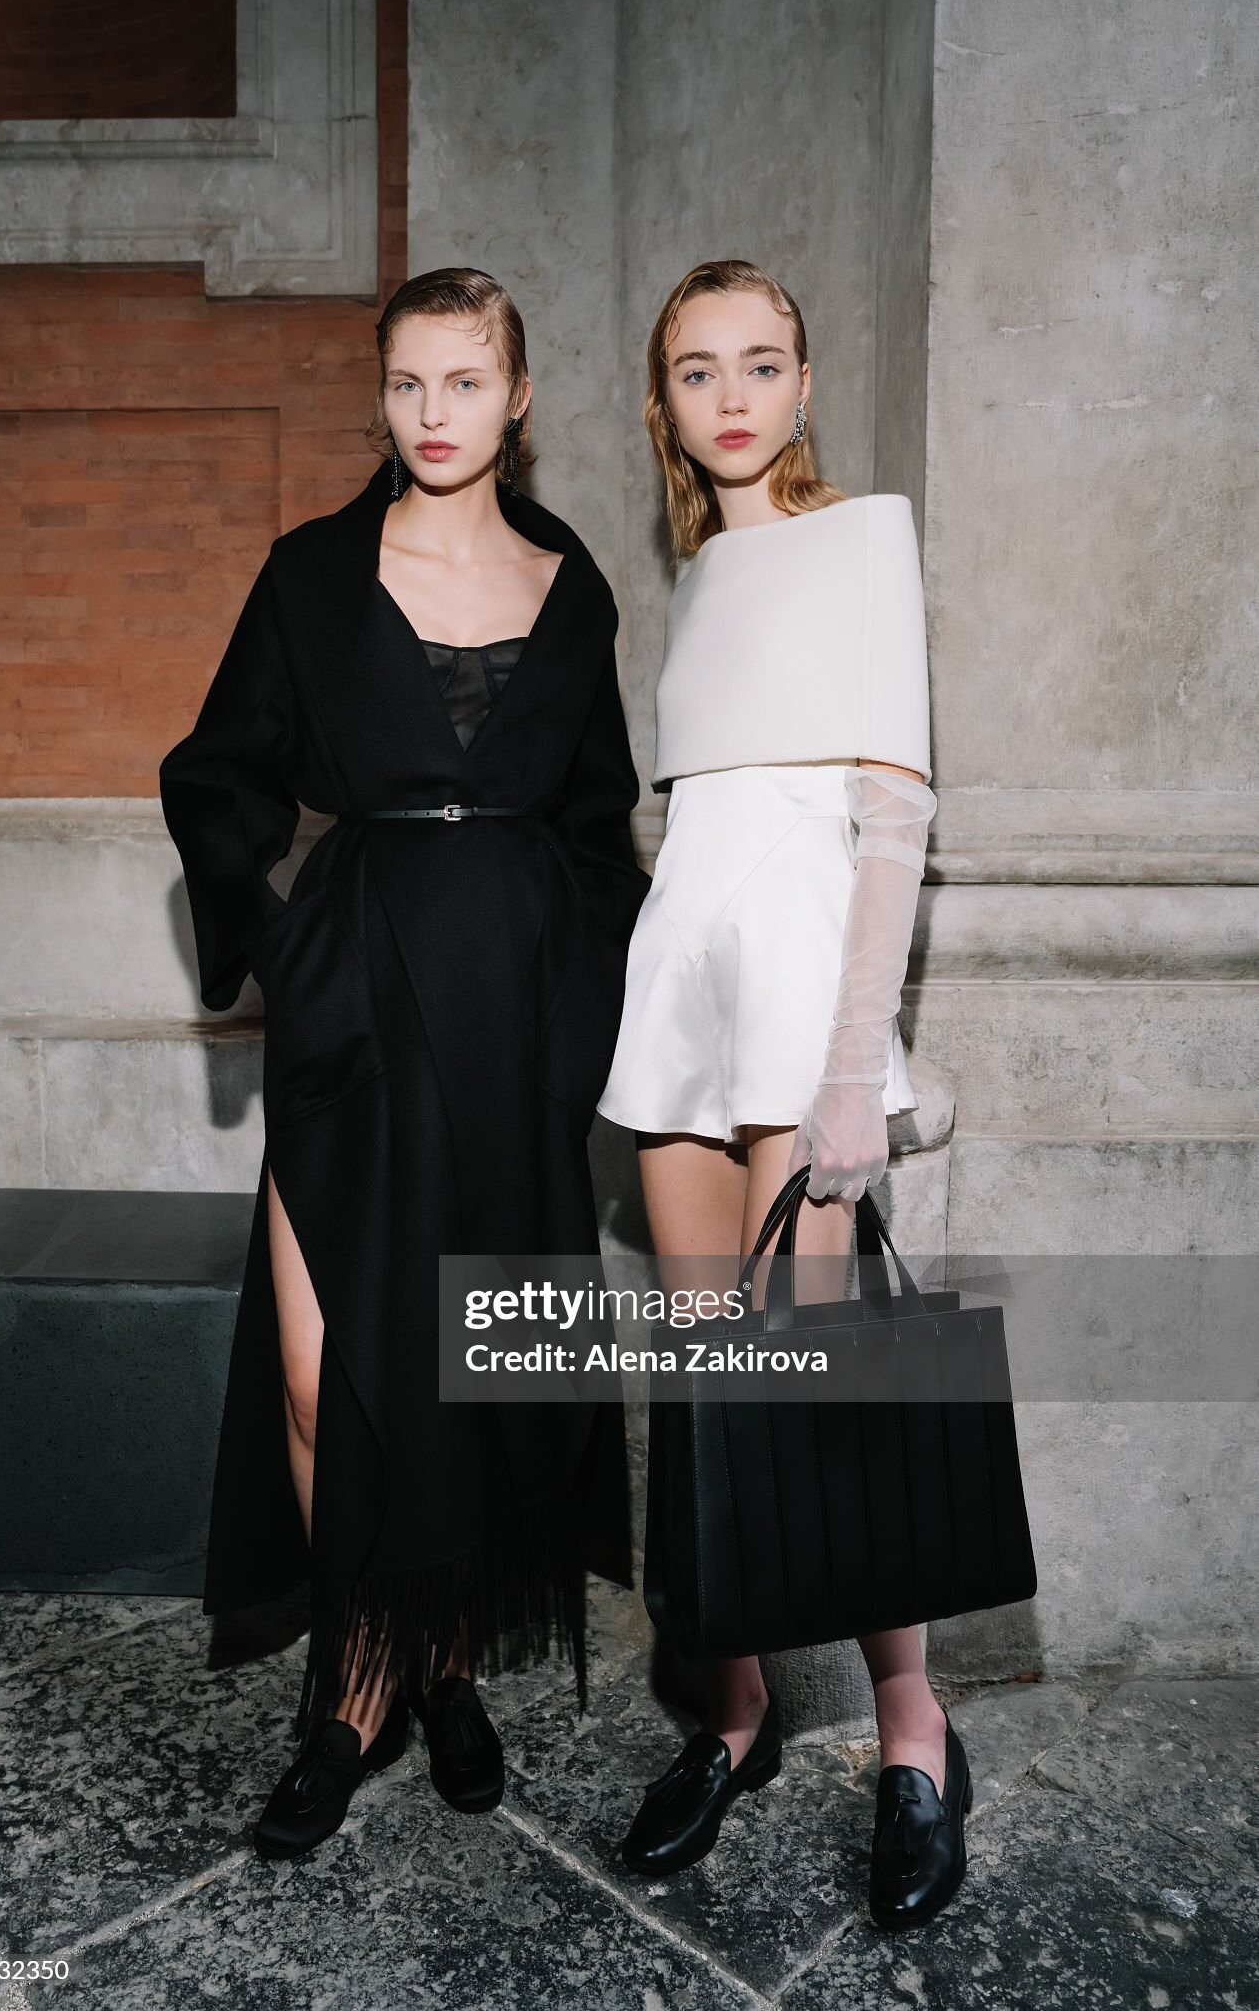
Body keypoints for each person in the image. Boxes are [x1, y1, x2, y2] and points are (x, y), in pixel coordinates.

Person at [159, 267, 650, 1860]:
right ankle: (354, 1676)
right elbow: (215, 776)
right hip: (356, 1004)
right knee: (322, 1375)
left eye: (464, 381)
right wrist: (290, 942)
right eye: (406, 383)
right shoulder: (311, 573)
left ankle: (434, 1671)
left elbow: (599, 823)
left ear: (519, 398)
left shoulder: (571, 586)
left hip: (510, 1021)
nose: (432, 413)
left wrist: (576, 1000)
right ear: (380, 397)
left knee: (468, 1367)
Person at [595, 260, 969, 1931]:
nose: (731, 395)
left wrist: (848, 1071)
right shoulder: (695, 577)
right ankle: (735, 1719)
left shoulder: (864, 538)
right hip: (682, 992)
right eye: (697, 370)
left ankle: (913, 1732)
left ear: (804, 385)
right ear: (664, 403)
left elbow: (890, 824)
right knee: (706, 1384)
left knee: (828, 1388)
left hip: (802, 1018)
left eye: (760, 364)